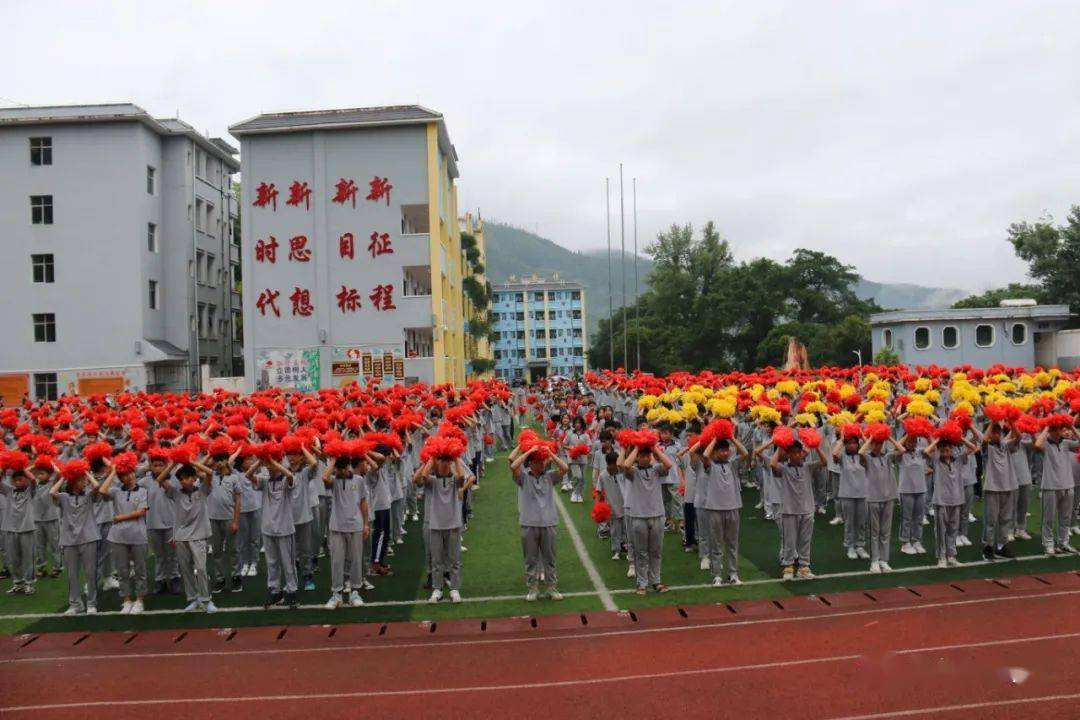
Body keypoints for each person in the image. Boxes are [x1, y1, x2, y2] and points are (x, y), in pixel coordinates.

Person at [510, 442, 568, 601]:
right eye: (538, 461)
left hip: (548, 523)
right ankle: (533, 588)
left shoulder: (550, 477)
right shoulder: (523, 478)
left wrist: (551, 453)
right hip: (528, 523)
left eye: (543, 461)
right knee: (530, 559)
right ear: (532, 463)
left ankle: (551, 588)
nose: (542, 464)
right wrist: (528, 451)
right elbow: (513, 466)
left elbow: (565, 469)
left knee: (550, 558)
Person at [415, 446, 473, 603]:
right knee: (437, 560)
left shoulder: (455, 480)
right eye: (442, 462)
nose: (445, 465)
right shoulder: (432, 482)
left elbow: (462, 477)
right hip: (436, 524)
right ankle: (437, 588)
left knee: (454, 559)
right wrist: (432, 458)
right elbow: (422, 476)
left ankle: (454, 589)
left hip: (453, 524)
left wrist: (454, 458)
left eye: (447, 462)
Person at [159, 460, 218, 613]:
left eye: (187, 477)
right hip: (181, 536)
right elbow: (160, 479)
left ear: (194, 478)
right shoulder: (175, 493)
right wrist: (173, 463)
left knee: (201, 568)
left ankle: (206, 600)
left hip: (199, 535)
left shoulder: (203, 490)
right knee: (185, 569)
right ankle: (193, 598)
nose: (184, 481)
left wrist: (191, 462)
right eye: (181, 479)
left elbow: (210, 473)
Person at [692, 436, 749, 586]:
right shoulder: (710, 464)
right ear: (715, 452)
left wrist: (732, 438)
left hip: (733, 508)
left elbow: (745, 453)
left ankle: (733, 574)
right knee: (716, 544)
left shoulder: (732, 464)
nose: (725, 453)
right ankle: (717, 575)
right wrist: (715, 438)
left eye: (727, 450)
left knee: (732, 544)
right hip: (715, 509)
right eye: (721, 450)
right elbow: (705, 456)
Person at [621, 438, 674, 595]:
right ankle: (642, 583)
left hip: (657, 515)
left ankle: (656, 581)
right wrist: (637, 447)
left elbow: (669, 465)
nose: (645, 458)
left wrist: (654, 448)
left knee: (656, 551)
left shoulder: (657, 470)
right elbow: (625, 465)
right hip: (639, 516)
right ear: (637, 457)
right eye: (641, 456)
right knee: (641, 552)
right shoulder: (634, 472)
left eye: (647, 455)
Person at [97, 454, 149, 614]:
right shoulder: (116, 491)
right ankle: (126, 600)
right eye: (125, 474)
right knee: (122, 570)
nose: (130, 476)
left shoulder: (143, 490)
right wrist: (113, 471)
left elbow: (141, 512)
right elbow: (101, 490)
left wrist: (120, 517)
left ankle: (139, 600)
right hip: (118, 536)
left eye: (131, 472)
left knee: (140, 569)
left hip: (138, 535)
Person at [246, 452, 298, 608]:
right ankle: (275, 591)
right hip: (268, 529)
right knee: (272, 563)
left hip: (285, 529)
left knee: (288, 564)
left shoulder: (288, 479)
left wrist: (273, 463)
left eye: (272, 467)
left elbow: (289, 476)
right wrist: (261, 461)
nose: (269, 469)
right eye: (268, 467)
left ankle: (292, 591)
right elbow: (248, 475)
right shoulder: (265, 481)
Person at [771, 437, 828, 580]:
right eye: (793, 453)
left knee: (805, 540)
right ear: (788, 454)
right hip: (789, 510)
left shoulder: (808, 466)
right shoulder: (784, 468)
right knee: (789, 540)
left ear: (803, 453)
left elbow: (825, 462)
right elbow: (772, 464)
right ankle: (788, 567)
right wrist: (779, 446)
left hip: (807, 509)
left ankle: (804, 566)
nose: (797, 455)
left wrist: (816, 447)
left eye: (799, 452)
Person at [322, 451, 371, 609]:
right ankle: (336, 594)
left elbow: (363, 502)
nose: (342, 472)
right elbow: (324, 478)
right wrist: (334, 459)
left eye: (344, 468)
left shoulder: (359, 480)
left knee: (356, 560)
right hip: (337, 526)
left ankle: (355, 592)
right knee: (337, 561)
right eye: (339, 469)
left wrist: (365, 524)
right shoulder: (333, 480)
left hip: (356, 526)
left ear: (349, 466)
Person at [51, 464, 101, 615]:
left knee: (90, 573)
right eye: (81, 480)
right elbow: (52, 491)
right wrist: (65, 477)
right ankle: (75, 604)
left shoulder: (88, 495)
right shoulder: (64, 497)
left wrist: (85, 471)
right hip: (68, 541)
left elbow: (97, 486)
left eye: (84, 479)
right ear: (72, 482)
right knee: (72, 574)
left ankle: (92, 604)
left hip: (89, 538)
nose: (84, 481)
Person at [924, 432, 978, 568]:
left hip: (956, 499)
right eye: (943, 450)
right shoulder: (936, 460)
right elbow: (925, 451)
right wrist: (938, 440)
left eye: (947, 449)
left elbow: (974, 448)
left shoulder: (958, 459)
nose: (945, 452)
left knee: (953, 529)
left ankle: (951, 555)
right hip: (940, 501)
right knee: (941, 530)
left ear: (952, 449)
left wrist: (960, 438)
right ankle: (941, 557)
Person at [1033, 422, 1079, 556]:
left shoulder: (1066, 443)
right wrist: (1047, 427)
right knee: (1048, 518)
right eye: (1057, 429)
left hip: (1068, 485)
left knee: (1065, 518)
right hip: (1050, 486)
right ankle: (1048, 544)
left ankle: (1063, 543)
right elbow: (1037, 444)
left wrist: (1072, 427)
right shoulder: (1046, 444)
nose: (1059, 431)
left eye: (1060, 429)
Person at [207, 447, 243, 594]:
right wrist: (210, 454)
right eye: (217, 460)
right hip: (213, 519)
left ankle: (236, 576)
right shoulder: (210, 475)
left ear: (227, 460)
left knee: (233, 549)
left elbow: (238, 500)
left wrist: (235, 521)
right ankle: (220, 578)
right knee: (216, 551)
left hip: (228, 518)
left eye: (222, 459)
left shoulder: (234, 477)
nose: (219, 463)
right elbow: (199, 469)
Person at [981, 421, 1018, 560]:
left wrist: (1012, 420)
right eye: (993, 432)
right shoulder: (987, 447)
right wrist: (992, 422)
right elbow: (984, 440)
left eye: (998, 432)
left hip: (1008, 486)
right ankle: (988, 547)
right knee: (991, 519)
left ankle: (1002, 546)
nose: (996, 434)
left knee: (1005, 519)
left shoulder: (1005, 445)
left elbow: (1018, 437)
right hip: (992, 487)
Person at [862, 434, 898, 573]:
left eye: (880, 443)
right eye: (875, 444)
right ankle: (874, 561)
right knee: (874, 532)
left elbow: (901, 450)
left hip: (888, 498)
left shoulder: (887, 457)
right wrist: (870, 439)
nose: (878, 446)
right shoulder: (868, 458)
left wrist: (889, 438)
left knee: (885, 532)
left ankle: (884, 560)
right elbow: (860, 453)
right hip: (873, 499)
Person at [1, 465, 37, 595]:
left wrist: (21, 467)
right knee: (14, 559)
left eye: (21, 479)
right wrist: (6, 466)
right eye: (15, 480)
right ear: (11, 481)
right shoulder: (9, 490)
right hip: (11, 528)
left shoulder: (30, 490)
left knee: (28, 558)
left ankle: (29, 584)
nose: (18, 482)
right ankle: (18, 583)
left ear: (25, 479)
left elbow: (33, 479)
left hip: (26, 528)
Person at [834, 432, 869, 561]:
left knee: (861, 522)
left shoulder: (863, 456)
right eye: (850, 443)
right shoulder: (843, 457)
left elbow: (868, 447)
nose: (852, 445)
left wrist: (863, 435)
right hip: (847, 494)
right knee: (849, 522)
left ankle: (860, 545)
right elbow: (834, 454)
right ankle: (850, 546)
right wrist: (843, 440)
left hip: (862, 493)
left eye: (855, 443)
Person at [893, 434, 928, 555]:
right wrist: (908, 433)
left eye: (914, 441)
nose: (912, 443)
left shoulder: (920, 452)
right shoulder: (900, 454)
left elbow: (933, 448)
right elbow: (896, 447)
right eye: (909, 441)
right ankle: (905, 542)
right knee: (906, 518)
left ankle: (917, 541)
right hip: (906, 490)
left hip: (921, 489)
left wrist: (927, 435)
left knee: (919, 518)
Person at [31, 461, 63, 578]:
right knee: (39, 545)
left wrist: (50, 461)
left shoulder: (52, 483)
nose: (40, 475)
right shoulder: (34, 483)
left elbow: (59, 472)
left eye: (42, 473)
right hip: (37, 519)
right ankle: (41, 567)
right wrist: (36, 464)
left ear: (49, 475)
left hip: (51, 518)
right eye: (38, 473)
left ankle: (57, 567)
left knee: (54, 545)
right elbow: (29, 473)